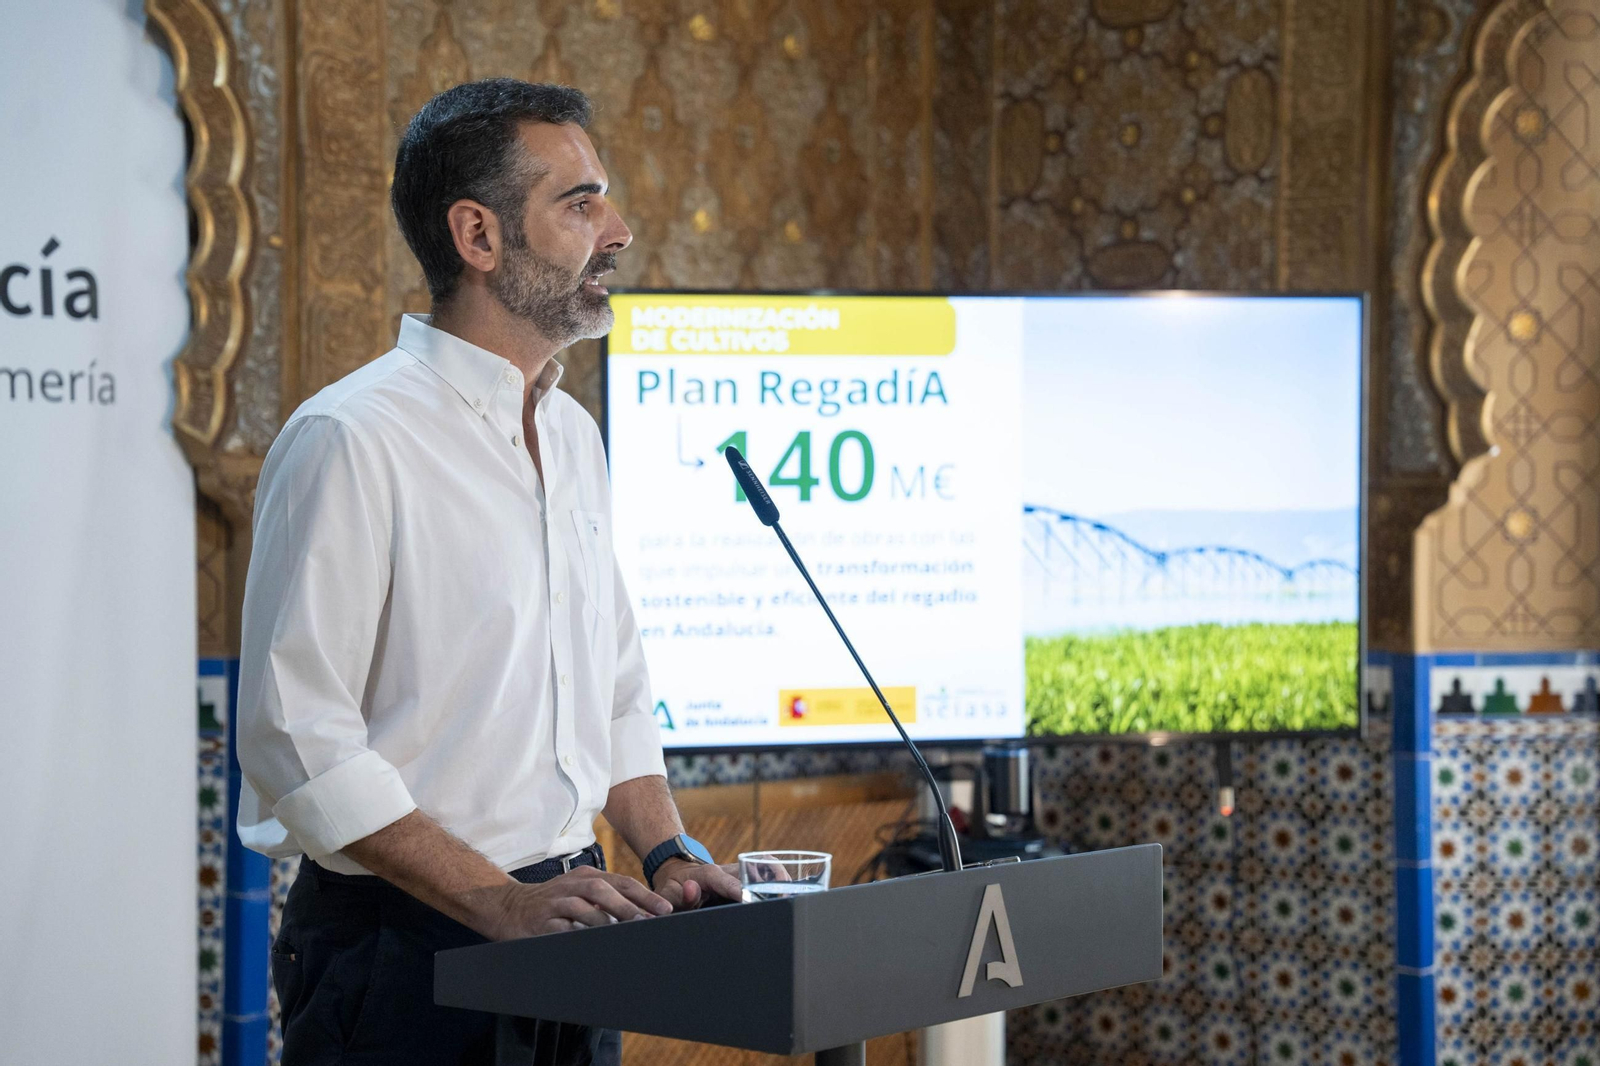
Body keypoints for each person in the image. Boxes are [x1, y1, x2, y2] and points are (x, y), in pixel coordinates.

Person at [235, 78, 741, 1066]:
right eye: (581, 202)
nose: (620, 230)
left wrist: (667, 850)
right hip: (402, 944)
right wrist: (494, 899)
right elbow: (296, 736)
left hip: (571, 920)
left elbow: (617, 685)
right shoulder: (351, 437)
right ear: (478, 236)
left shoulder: (572, 432)